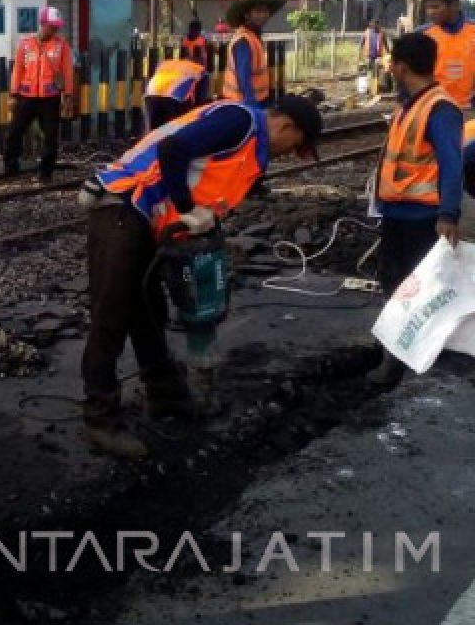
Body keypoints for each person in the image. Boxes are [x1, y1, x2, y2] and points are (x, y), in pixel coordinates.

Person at [78, 95, 323, 457]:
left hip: (147, 219)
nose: (289, 153)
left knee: (147, 312)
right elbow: (174, 150)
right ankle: (100, 421)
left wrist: (199, 219)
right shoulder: (239, 122)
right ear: (287, 126)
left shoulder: (251, 143)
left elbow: (207, 180)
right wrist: (188, 208)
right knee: (111, 317)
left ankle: (168, 399)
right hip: (123, 208)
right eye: (295, 146)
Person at [367, 32, 463, 387]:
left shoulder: (439, 109)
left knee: (418, 291)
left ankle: (408, 363)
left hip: (422, 218)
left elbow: (452, 165)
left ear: (402, 67)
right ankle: (394, 352)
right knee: (393, 283)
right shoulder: (409, 103)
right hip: (397, 214)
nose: (389, 69)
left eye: (392, 63)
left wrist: (448, 214)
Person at [5, 6, 75, 183]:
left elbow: (67, 72)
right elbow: (17, 70)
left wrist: (68, 95)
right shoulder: (25, 45)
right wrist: (13, 94)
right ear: (42, 24)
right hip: (26, 97)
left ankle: (46, 173)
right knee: (14, 133)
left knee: (51, 137)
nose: (55, 29)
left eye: (56, 26)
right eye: (52, 25)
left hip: (50, 99)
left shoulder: (62, 46)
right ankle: (11, 167)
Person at [420, 0, 475, 109]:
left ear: (454, 5)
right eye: (427, 8)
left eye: (435, 7)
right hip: (434, 108)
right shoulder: (424, 35)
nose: (430, 12)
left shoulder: (472, 32)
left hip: (469, 110)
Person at [222, 0, 283, 109]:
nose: (263, 15)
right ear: (247, 15)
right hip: (242, 102)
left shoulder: (253, 36)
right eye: (258, 11)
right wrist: (251, 104)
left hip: (258, 99)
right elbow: (243, 76)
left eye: (265, 11)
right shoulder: (243, 40)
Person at [143, 58, 210, 131]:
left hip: (151, 94)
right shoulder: (201, 70)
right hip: (174, 97)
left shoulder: (166, 63)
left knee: (154, 132)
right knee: (176, 130)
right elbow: (200, 101)